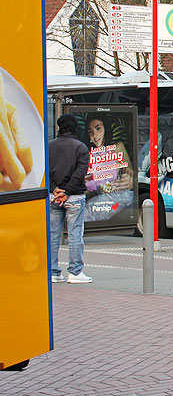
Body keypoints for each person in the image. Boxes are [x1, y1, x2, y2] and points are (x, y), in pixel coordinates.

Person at [48, 114, 92, 284]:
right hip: (74, 197)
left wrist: (55, 189)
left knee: (53, 235)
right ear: (75, 127)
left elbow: (46, 169)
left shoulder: (50, 146)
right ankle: (74, 272)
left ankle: (53, 272)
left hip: (54, 196)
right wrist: (67, 191)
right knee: (75, 235)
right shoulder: (80, 148)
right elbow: (80, 173)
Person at [84, 115, 134, 221]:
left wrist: (129, 178)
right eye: (90, 132)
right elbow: (86, 189)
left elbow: (130, 172)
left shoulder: (117, 148)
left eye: (98, 129)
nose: (95, 135)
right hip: (97, 202)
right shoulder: (88, 155)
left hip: (119, 198)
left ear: (105, 128)